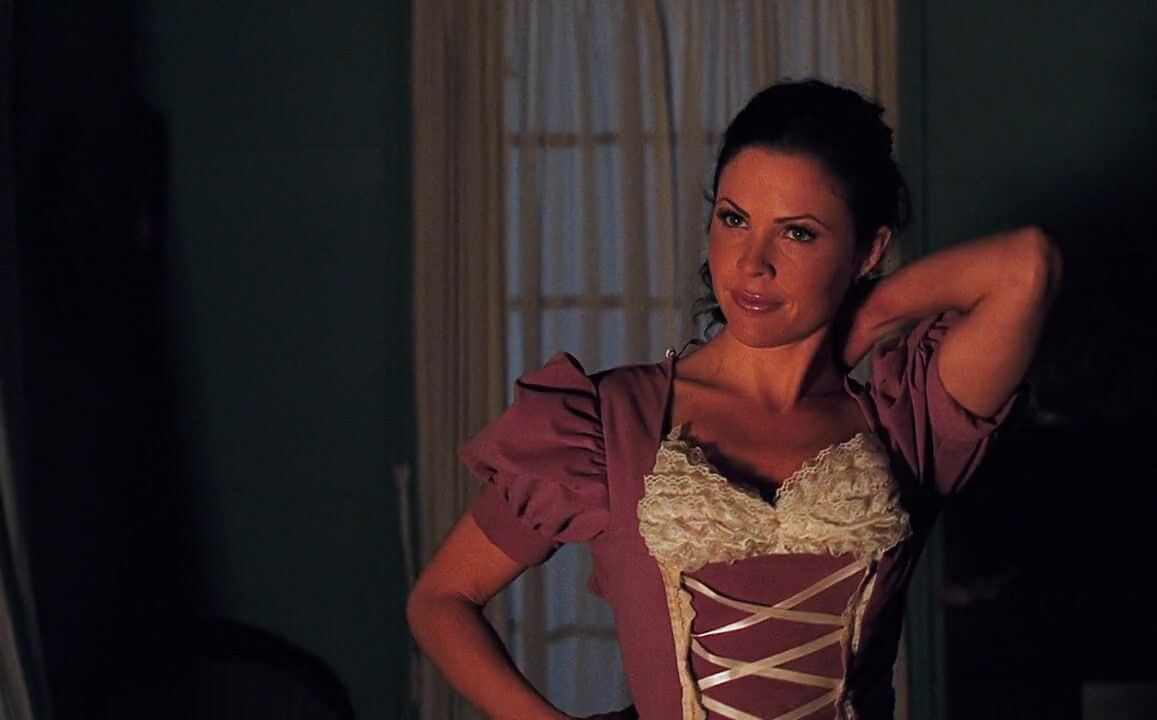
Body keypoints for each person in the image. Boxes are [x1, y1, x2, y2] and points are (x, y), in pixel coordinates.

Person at [406, 79, 1061, 719]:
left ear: (868, 249)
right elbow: (441, 600)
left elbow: (1027, 266)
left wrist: (868, 317)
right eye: (734, 218)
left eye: (797, 233)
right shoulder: (612, 422)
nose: (752, 263)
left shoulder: (902, 422)